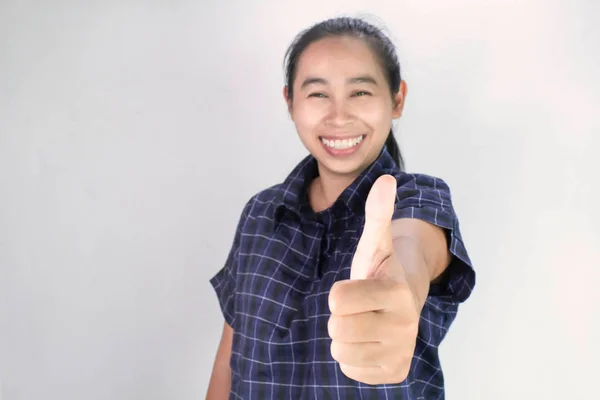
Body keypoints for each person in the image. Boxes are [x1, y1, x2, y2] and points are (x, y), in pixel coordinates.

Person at [206, 16, 475, 400]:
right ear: (290, 101)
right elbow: (228, 358)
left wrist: (401, 289)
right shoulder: (259, 213)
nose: (339, 116)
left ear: (397, 99)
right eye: (318, 94)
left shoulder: (418, 200)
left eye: (360, 93)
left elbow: (411, 250)